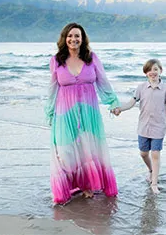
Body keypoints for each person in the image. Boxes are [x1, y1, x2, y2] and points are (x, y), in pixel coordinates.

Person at [44, 22, 120, 204]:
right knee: (65, 151)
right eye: (70, 36)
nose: (73, 39)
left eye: (77, 36)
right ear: (64, 38)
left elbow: (103, 81)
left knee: (88, 148)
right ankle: (68, 185)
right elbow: (52, 88)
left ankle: (87, 186)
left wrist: (112, 102)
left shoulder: (91, 58)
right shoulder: (56, 60)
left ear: (83, 39)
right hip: (64, 113)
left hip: (89, 112)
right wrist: (49, 111)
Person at [113, 59, 166, 194]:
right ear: (145, 73)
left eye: (155, 69)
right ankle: (150, 170)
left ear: (161, 71)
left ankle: (154, 183)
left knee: (155, 154)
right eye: (149, 70)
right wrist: (120, 109)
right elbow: (131, 103)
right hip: (143, 126)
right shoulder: (141, 88)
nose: (152, 72)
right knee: (143, 153)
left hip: (159, 127)